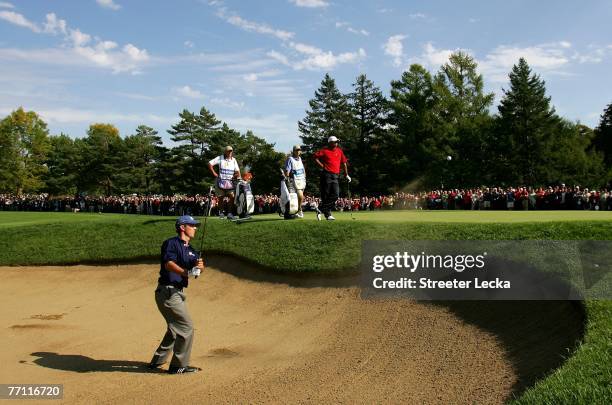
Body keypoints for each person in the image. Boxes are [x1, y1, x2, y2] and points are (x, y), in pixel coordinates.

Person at [149, 215, 204, 374]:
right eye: (192, 225)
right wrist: (186, 272)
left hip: (177, 292)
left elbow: (197, 271)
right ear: (182, 227)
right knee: (186, 327)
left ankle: (157, 360)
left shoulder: (192, 250)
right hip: (167, 291)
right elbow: (169, 264)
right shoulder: (171, 243)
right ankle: (178, 365)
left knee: (175, 328)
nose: (195, 228)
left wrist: (200, 267)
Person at [313, 136, 351, 221]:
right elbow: (315, 157)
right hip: (326, 175)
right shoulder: (325, 150)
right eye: (335, 142)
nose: (336, 143)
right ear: (330, 143)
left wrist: (346, 175)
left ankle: (320, 209)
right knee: (325, 195)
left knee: (336, 195)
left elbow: (344, 163)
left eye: (337, 141)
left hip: (335, 176)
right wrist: (322, 166)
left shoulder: (339, 151)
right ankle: (328, 215)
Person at [208, 146, 241, 220]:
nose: (230, 152)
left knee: (232, 197)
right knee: (220, 197)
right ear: (225, 152)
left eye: (231, 151)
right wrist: (214, 173)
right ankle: (221, 213)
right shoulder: (220, 158)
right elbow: (210, 163)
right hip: (220, 181)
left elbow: (237, 172)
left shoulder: (234, 160)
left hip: (230, 182)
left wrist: (235, 176)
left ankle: (229, 213)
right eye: (228, 151)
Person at [284, 145, 306, 218]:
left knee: (299, 196)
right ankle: (298, 210)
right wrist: (287, 179)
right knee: (299, 195)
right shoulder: (290, 159)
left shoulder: (300, 159)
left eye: (299, 150)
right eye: (297, 150)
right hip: (293, 180)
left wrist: (305, 176)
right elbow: (287, 170)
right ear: (293, 151)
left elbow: (303, 169)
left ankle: (297, 210)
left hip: (301, 179)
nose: (298, 151)